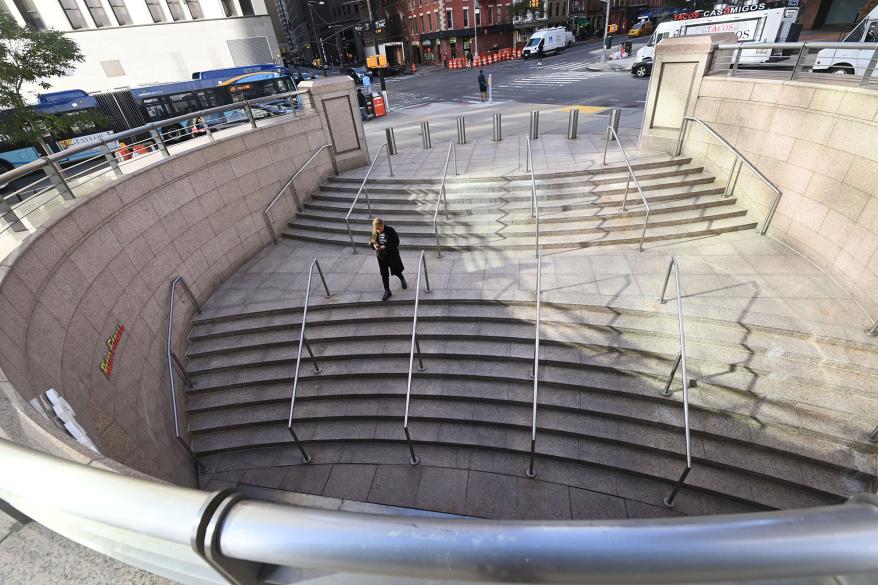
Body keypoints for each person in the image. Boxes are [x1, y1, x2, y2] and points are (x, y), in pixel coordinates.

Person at [370, 218, 406, 301]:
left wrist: (385, 246)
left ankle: (402, 279)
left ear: (382, 225)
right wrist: (375, 246)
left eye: (379, 228)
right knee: (384, 274)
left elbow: (396, 242)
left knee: (396, 270)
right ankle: (387, 290)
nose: (378, 230)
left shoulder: (390, 230)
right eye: (376, 229)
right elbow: (372, 242)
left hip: (392, 255)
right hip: (381, 257)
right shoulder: (375, 232)